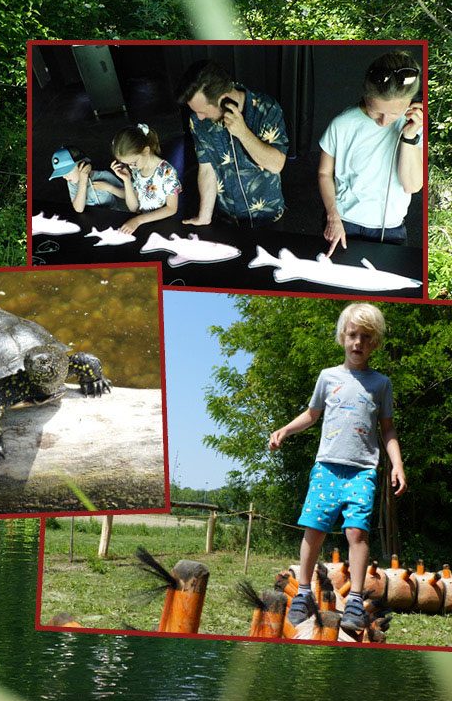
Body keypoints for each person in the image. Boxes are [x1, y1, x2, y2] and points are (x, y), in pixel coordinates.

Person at [268, 303, 406, 637]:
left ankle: (355, 599)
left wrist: (397, 464)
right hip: (327, 467)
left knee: (356, 533)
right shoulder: (328, 378)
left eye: (366, 337)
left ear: (374, 343)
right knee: (314, 529)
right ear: (342, 337)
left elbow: (387, 429)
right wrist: (285, 429)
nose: (358, 342)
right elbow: (311, 415)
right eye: (353, 335)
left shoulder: (380, 384)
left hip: (363, 470)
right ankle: (302, 591)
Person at [319, 51, 424, 254]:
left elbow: (411, 185)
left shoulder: (415, 126)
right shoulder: (342, 124)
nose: (384, 122)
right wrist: (333, 216)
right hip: (344, 222)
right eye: (376, 111)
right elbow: (324, 173)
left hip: (391, 228)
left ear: (412, 101)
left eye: (394, 113)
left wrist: (409, 137)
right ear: (367, 96)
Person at [176, 59, 288, 228]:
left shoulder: (267, 108)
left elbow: (276, 164)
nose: (199, 117)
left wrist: (243, 133)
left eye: (203, 111)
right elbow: (207, 168)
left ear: (225, 100)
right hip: (228, 219)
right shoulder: (197, 121)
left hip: (268, 218)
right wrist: (204, 216)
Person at [106, 124, 181, 235]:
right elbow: (134, 208)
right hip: (142, 224)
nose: (131, 167)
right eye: (127, 164)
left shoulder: (166, 171)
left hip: (163, 226)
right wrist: (126, 180)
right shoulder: (137, 170)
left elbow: (171, 208)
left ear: (146, 151)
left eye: (133, 162)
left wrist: (138, 220)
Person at [49, 147, 124, 211]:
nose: (64, 177)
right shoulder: (72, 183)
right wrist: (83, 181)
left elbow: (125, 195)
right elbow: (78, 209)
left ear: (82, 165)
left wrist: (109, 188)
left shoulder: (104, 175)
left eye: (67, 172)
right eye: (62, 174)